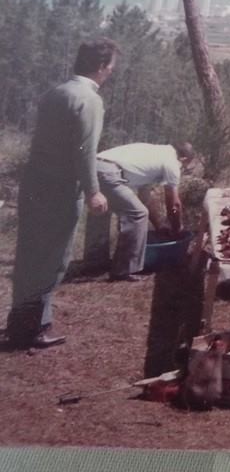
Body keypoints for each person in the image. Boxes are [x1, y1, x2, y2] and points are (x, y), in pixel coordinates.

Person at [5, 38, 118, 349]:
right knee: (52, 259)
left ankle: (19, 323)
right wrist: (93, 191)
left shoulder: (55, 92)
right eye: (110, 67)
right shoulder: (89, 100)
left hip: (34, 184)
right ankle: (33, 329)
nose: (111, 72)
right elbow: (85, 151)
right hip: (60, 189)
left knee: (29, 255)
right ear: (100, 67)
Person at [87, 141, 196, 281]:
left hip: (93, 166)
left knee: (104, 209)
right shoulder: (172, 162)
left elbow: (145, 199)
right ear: (184, 159)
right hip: (108, 172)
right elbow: (174, 204)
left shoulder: (157, 154)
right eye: (185, 166)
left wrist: (159, 227)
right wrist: (177, 228)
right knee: (137, 215)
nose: (183, 169)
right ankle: (122, 270)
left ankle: (95, 262)